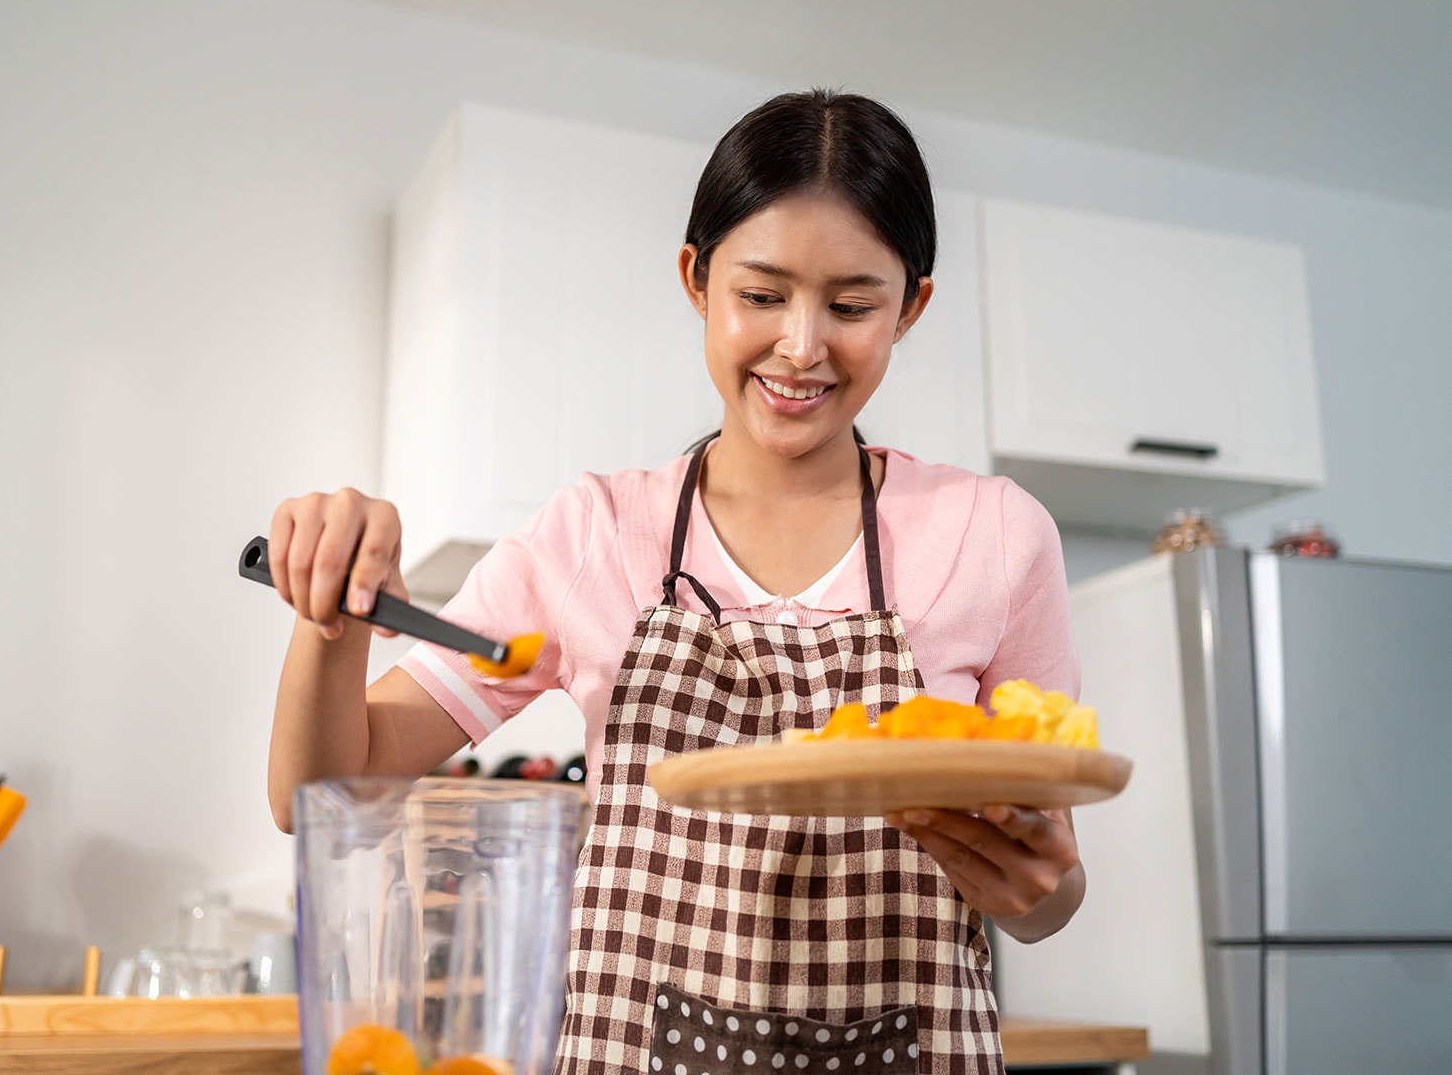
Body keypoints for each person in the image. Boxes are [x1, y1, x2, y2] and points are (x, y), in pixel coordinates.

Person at [264, 89, 1083, 1075]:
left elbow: (1051, 883)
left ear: (910, 305)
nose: (801, 345)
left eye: (853, 305)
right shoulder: (594, 533)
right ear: (697, 279)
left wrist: (1041, 895)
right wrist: (332, 609)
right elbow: (318, 794)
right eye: (762, 293)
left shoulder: (993, 534)